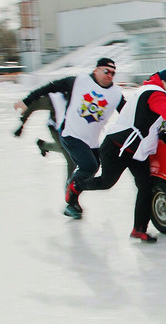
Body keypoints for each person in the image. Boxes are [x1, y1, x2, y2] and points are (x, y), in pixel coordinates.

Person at [67, 69, 166, 240]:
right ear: (164, 83)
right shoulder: (156, 93)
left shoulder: (153, 91)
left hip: (136, 150)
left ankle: (139, 229)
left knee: (145, 187)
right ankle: (76, 186)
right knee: (106, 182)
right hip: (117, 147)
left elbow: (157, 120)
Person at [14, 58, 126, 218]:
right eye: (106, 71)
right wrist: (27, 101)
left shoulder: (115, 94)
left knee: (93, 169)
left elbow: (127, 113)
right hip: (71, 134)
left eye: (113, 73)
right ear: (96, 70)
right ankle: (71, 192)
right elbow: (49, 87)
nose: (110, 75)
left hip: (91, 139)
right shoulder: (79, 81)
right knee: (87, 166)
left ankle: (72, 197)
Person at [13, 92, 76, 183]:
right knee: (71, 159)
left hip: (71, 129)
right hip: (56, 129)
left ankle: (44, 145)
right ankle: (69, 191)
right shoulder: (56, 99)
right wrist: (22, 125)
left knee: (70, 149)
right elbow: (34, 105)